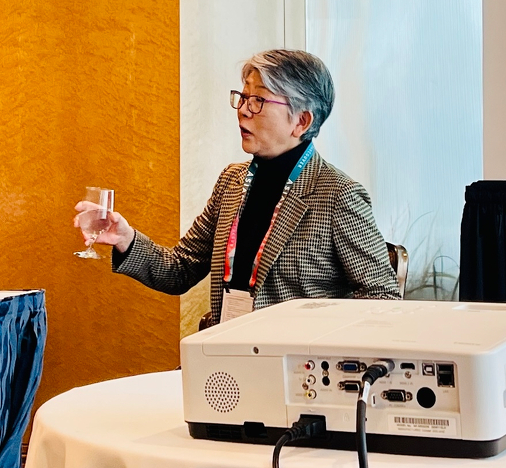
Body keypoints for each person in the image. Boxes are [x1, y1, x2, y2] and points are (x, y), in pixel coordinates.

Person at [77, 49, 399, 328]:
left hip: (289, 377)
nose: (243, 109)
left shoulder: (337, 195)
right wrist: (125, 238)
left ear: (301, 121)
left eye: (258, 100)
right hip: (224, 363)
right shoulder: (231, 182)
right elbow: (180, 269)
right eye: (243, 97)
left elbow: (382, 301)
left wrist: (313, 338)